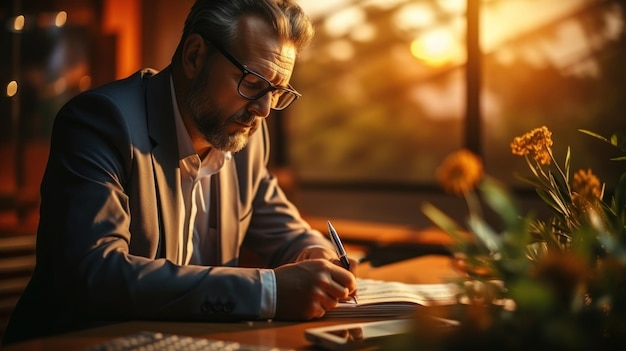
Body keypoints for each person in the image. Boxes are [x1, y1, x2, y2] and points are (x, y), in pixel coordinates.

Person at [2, 0, 358, 345]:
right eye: (252, 82)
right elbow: (94, 273)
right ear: (194, 55)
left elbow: (280, 225)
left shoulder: (244, 132)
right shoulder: (101, 122)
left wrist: (314, 252)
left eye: (277, 92)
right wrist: (268, 292)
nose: (264, 109)